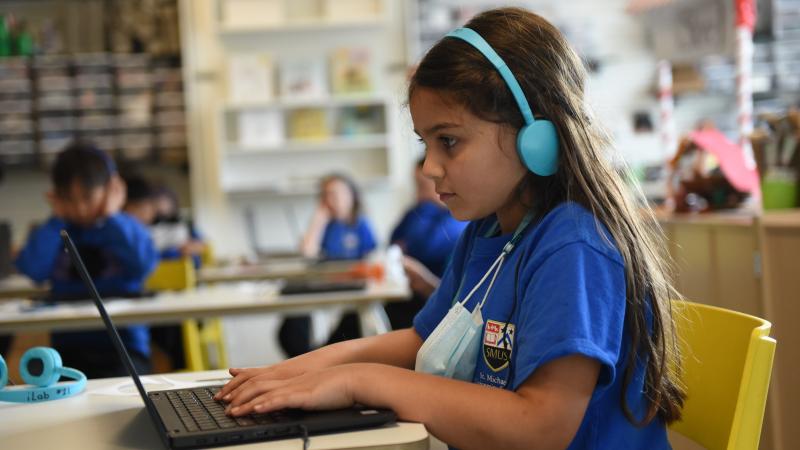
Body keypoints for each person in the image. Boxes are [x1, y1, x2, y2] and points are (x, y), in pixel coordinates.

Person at [215, 8, 685, 449]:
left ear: (536, 137)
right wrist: (299, 371)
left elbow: (541, 426)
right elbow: (423, 339)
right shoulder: (488, 231)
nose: (429, 167)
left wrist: (360, 380)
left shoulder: (573, 245)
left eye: (448, 141)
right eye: (426, 143)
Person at [15, 141, 158, 378]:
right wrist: (55, 221)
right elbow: (33, 270)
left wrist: (113, 216)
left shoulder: (126, 226)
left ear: (111, 189)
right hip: (67, 351)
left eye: (87, 197)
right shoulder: (55, 230)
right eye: (69, 199)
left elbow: (144, 266)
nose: (80, 208)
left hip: (124, 348)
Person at [280, 173, 378, 357]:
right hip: (323, 285)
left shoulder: (360, 224)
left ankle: (325, 355)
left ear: (351, 196)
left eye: (335, 194)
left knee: (353, 324)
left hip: (351, 287)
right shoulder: (326, 224)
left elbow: (371, 258)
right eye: (325, 195)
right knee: (291, 327)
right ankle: (307, 357)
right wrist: (318, 220)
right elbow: (307, 253)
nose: (329, 200)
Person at [386, 157, 466, 328]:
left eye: (422, 186)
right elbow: (393, 241)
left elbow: (425, 247)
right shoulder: (415, 210)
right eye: (416, 185)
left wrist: (427, 206)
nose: (417, 193)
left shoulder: (456, 218)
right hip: (409, 293)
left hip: (427, 301)